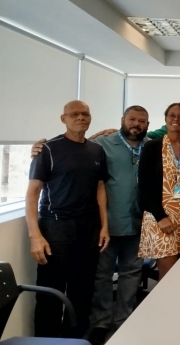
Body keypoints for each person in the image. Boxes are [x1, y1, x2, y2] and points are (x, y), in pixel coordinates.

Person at [25, 100, 109, 338]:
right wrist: (35, 237)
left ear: (90, 118)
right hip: (55, 228)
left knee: (82, 291)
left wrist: (104, 226)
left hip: (89, 228)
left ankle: (75, 339)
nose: (80, 118)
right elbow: (33, 193)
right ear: (64, 119)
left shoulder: (96, 150)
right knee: (51, 292)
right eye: (74, 114)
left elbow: (100, 188)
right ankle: (44, 341)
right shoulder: (48, 150)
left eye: (85, 114)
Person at [87, 106, 150, 344]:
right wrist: (39, 147)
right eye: (132, 119)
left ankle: (124, 319)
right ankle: (100, 321)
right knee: (102, 274)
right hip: (108, 223)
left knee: (131, 273)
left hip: (139, 222)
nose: (137, 124)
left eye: (142, 121)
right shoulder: (103, 143)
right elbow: (74, 144)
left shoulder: (152, 144)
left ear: (148, 124)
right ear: (122, 120)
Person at [137, 103, 180, 280]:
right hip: (159, 217)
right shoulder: (152, 147)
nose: (176, 119)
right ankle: (163, 307)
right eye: (172, 115)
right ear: (165, 119)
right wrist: (160, 216)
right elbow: (144, 186)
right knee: (169, 275)